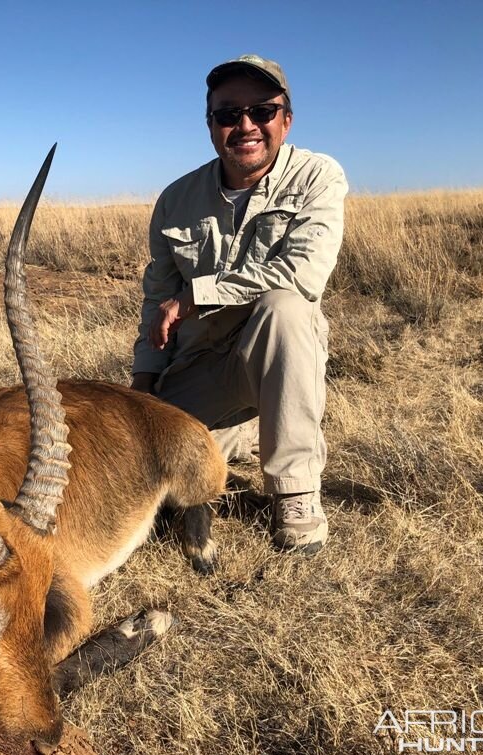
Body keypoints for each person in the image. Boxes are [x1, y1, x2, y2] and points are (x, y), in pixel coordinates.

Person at [130, 54, 348, 555]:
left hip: (276, 352)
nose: (245, 125)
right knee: (144, 476)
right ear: (210, 125)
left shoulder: (320, 176)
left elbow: (302, 274)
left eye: (262, 111)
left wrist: (195, 296)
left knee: (286, 307)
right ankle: (244, 429)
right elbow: (155, 300)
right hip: (199, 363)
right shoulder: (175, 199)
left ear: (286, 119)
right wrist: (141, 392)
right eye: (228, 114)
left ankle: (294, 492)